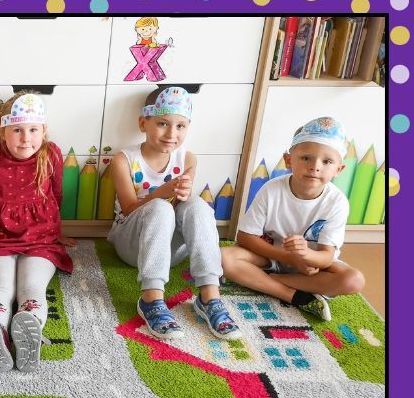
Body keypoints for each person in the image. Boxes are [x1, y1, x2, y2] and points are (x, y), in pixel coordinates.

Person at [108, 86, 241, 340]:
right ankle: (151, 298)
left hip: (171, 252)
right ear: (143, 123)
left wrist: (180, 195)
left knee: (198, 205)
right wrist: (160, 193)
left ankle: (210, 297)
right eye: (162, 124)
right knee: (160, 207)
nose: (172, 134)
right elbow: (128, 208)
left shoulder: (187, 158)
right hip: (132, 245)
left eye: (180, 126)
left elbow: (185, 209)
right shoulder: (124, 160)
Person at [0, 91, 74, 373]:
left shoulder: (51, 153)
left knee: (32, 287)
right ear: (2, 131)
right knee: (0, 285)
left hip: (41, 239)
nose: (26, 138)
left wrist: (57, 231)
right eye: (17, 130)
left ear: (43, 131)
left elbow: (57, 195)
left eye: (33, 130)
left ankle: (28, 326)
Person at [221, 116, 365, 321]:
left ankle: (263, 280)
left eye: (327, 162)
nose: (315, 167)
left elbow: (326, 257)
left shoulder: (337, 202)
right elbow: (245, 237)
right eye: (306, 158)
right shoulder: (271, 189)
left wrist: (305, 255)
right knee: (223, 257)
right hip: (271, 257)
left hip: (312, 267)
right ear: (289, 160)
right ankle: (293, 296)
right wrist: (289, 258)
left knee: (354, 280)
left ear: (338, 169)